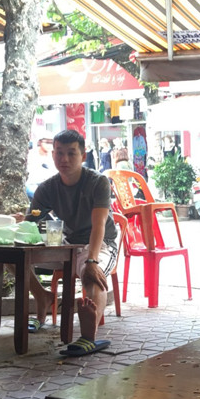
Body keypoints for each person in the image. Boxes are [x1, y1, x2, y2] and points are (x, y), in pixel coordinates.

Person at [25, 130, 118, 357]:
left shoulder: (97, 182)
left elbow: (99, 225)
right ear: (52, 155)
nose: (64, 159)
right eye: (59, 153)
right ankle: (42, 297)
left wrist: (92, 261)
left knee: (91, 274)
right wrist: (25, 224)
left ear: (83, 155)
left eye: (71, 153)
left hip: (100, 243)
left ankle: (88, 336)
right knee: (14, 259)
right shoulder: (47, 188)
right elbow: (31, 222)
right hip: (66, 245)